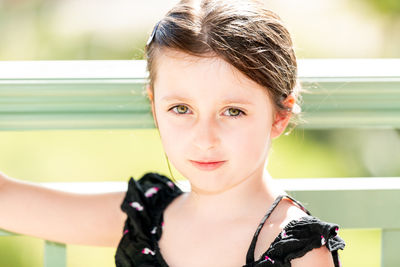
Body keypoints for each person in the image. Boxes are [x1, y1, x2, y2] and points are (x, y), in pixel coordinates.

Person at [0, 0, 345, 266]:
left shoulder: (298, 252)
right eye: (181, 109)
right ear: (155, 107)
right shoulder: (146, 218)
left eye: (233, 111)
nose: (204, 138)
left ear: (280, 114)